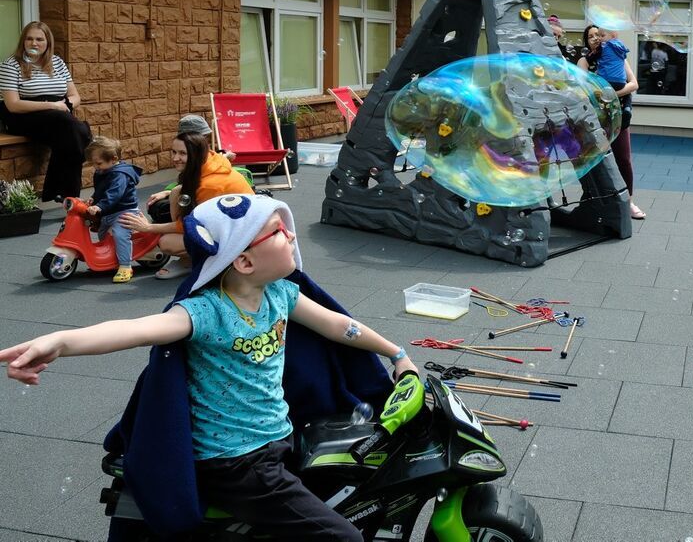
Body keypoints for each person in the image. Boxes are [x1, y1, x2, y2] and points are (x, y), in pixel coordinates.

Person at [1, 193, 415, 539]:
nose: (292, 234)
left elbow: (339, 326)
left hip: (276, 441)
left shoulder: (281, 294)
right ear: (244, 262)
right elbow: (136, 329)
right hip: (236, 464)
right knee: (343, 537)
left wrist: (397, 355)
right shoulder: (205, 312)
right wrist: (58, 341)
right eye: (278, 231)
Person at [121, 130, 253, 279]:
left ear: (196, 154)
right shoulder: (211, 159)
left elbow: (196, 226)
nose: (176, 158)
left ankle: (199, 262)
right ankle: (195, 259)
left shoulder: (211, 186)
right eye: (174, 152)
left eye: (183, 153)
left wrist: (148, 228)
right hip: (227, 225)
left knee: (167, 242)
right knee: (176, 192)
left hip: (241, 237)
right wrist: (167, 192)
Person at [0, 21, 92, 201]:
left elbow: (75, 96)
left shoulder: (57, 62)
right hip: (22, 116)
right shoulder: (10, 65)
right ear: (23, 42)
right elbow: (13, 105)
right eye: (29, 39)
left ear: (48, 42)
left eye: (39, 39)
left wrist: (64, 105)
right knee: (78, 132)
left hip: (57, 118)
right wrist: (52, 105)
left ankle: (61, 195)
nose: (34, 43)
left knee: (69, 138)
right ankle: (71, 199)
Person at [578, 25, 644, 220]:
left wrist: (611, 95)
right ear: (586, 40)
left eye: (598, 34)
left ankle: (629, 202)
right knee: (594, 161)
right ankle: (594, 200)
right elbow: (586, 89)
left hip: (619, 116)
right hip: (595, 119)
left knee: (623, 159)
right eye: (590, 36)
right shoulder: (584, 60)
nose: (595, 38)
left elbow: (633, 84)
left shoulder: (616, 53)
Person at [85, 136, 143, 283]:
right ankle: (110, 260)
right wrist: (94, 199)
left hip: (125, 211)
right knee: (103, 235)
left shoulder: (120, 175)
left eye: (99, 163)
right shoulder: (103, 171)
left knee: (119, 234)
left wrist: (99, 206)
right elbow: (102, 189)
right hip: (109, 211)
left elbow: (114, 194)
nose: (96, 167)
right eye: (94, 164)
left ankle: (125, 266)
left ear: (113, 159)